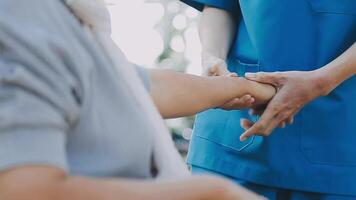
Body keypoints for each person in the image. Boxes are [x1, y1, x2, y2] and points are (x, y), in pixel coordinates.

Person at [0, 0, 275, 199]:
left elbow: (135, 87)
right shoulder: (20, 18)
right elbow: (24, 190)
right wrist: (210, 193)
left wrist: (244, 89)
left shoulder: (69, 16)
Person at [181, 0, 356, 199]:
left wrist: (324, 81)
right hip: (228, 140)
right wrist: (211, 57)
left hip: (337, 146)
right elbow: (218, 4)